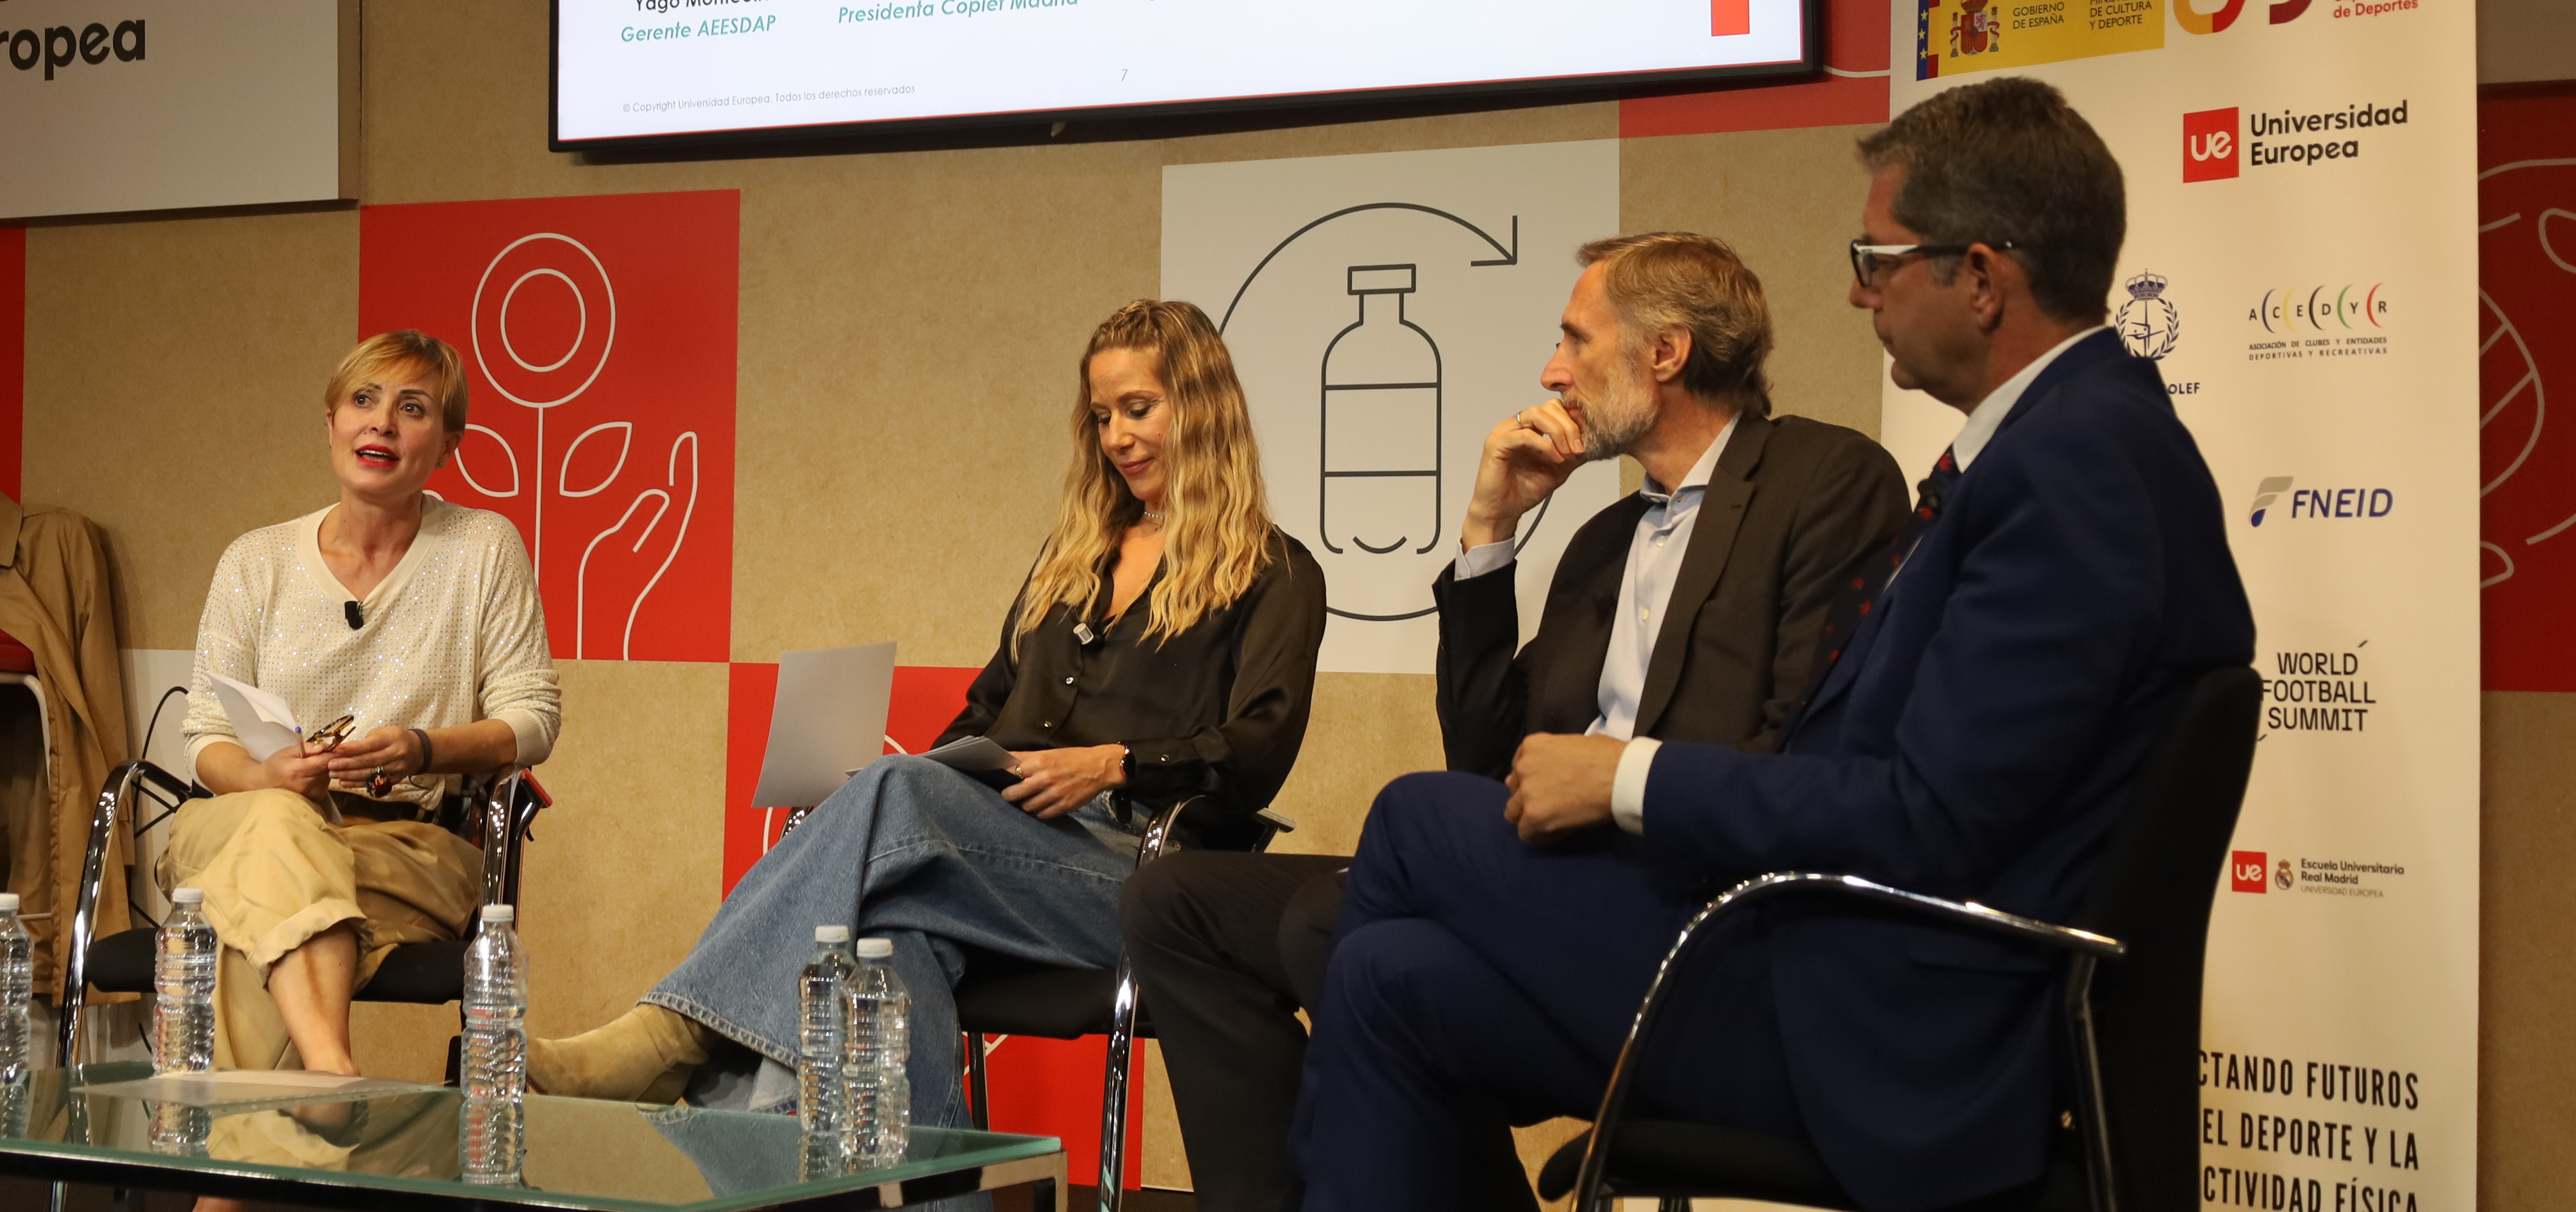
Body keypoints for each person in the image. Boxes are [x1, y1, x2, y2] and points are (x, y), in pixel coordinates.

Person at [1292, 77, 2255, 1212]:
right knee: (1382, 975)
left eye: (1879, 259)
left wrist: (1627, 775)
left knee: (1410, 820)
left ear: (1983, 278)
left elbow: (1926, 821)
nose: (1858, 293)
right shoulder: (2073, 444)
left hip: (1889, 1026)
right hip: (1842, 967)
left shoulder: (2078, 465)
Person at [1120, 233, 1907, 1212]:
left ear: (1664, 354)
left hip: (1703, 912)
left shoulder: (1824, 480)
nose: (1551, 370)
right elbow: (1490, 765)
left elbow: (1802, 753)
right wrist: (1489, 536)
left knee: (1385, 855)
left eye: (1576, 339)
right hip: (1553, 885)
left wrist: (1616, 777)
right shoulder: (1605, 539)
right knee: (1197, 906)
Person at [530, 299, 1327, 1127]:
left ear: (1200, 409)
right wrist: (933, 777)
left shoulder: (1275, 573)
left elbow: (1255, 751)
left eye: (1139, 409)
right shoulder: (1070, 563)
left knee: (890, 808)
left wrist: (1118, 761)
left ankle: (674, 1038)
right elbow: (984, 712)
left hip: (1135, 876)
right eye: (1101, 417)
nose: (1118, 438)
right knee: (886, 939)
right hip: (997, 850)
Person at [170, 330, 561, 1080]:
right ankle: (329, 1077)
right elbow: (206, 738)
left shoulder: (482, 548)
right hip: (246, 822)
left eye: (412, 408)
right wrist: (267, 780)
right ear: (330, 423)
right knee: (279, 829)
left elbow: (533, 720)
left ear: (448, 444)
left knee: (243, 929)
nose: (381, 423)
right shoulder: (255, 561)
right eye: (363, 400)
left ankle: (261, 1151)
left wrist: (424, 749)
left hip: (402, 847)